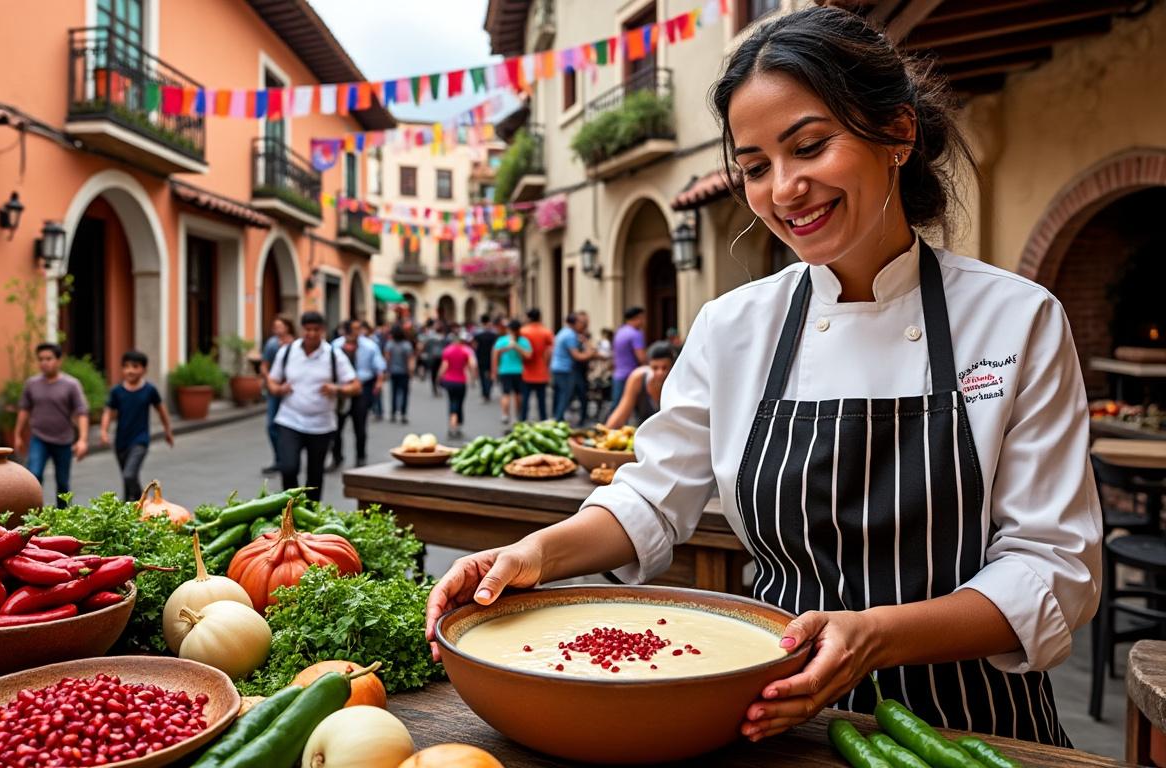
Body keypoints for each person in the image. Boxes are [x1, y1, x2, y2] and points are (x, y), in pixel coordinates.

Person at [426, 6, 1100, 749]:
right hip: (778, 717)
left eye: (809, 146)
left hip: (974, 730)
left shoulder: (1017, 319)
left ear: (898, 133)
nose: (784, 189)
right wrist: (534, 554)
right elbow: (650, 498)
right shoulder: (732, 327)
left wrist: (877, 636)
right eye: (754, 168)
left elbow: (1053, 569)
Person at [266, 311, 361, 502]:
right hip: (290, 420)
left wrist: (337, 388)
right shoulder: (287, 352)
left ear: (323, 330)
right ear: (301, 330)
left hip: (321, 425)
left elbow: (356, 386)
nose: (311, 334)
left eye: (316, 329)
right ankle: (291, 508)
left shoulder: (334, 355)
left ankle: (311, 512)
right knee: (288, 467)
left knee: (315, 475)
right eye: (307, 329)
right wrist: (278, 389)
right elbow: (272, 380)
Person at [14, 342, 88, 508]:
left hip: (63, 440)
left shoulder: (71, 385)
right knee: (34, 475)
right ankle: (32, 513)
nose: (44, 363)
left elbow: (81, 412)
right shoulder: (32, 384)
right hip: (39, 438)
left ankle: (63, 516)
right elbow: (24, 409)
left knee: (62, 483)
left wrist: (83, 440)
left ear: (59, 360)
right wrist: (17, 435)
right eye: (41, 359)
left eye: (49, 359)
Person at [99, 349, 174, 500]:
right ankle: (130, 506)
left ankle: (143, 501)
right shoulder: (117, 391)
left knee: (129, 475)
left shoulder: (149, 390)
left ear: (144, 369)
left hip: (140, 440)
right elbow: (108, 412)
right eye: (126, 366)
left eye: (135, 366)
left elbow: (161, 410)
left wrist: (168, 430)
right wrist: (104, 431)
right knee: (127, 479)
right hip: (121, 442)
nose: (130, 370)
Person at [330, 320, 387, 469]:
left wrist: (379, 382)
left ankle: (360, 457)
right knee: (336, 426)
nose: (355, 332)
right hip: (341, 389)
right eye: (352, 329)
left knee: (360, 425)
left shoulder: (369, 346)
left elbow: (379, 366)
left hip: (362, 388)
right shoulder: (336, 345)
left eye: (357, 329)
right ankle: (336, 457)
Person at [603, 343, 673, 430]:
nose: (660, 373)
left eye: (665, 368)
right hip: (641, 432)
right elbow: (621, 414)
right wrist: (605, 433)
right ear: (648, 366)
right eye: (655, 368)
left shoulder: (677, 383)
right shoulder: (638, 378)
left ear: (672, 367)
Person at [258, 316, 295, 476]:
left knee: (289, 426)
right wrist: (269, 380)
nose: (277, 329)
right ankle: (280, 459)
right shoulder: (272, 344)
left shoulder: (296, 344)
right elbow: (264, 366)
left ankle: (288, 458)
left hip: (292, 391)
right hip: (275, 390)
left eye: (280, 326)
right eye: (275, 326)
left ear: (288, 327)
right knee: (272, 425)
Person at [550, 311, 594, 423]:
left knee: (561, 395)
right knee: (565, 395)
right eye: (581, 322)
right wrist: (590, 353)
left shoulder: (564, 332)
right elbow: (577, 356)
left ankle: (557, 418)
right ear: (575, 322)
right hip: (565, 369)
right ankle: (558, 419)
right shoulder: (570, 335)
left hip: (559, 367)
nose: (583, 325)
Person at [438, 331, 478, 439]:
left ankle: (452, 425)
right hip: (461, 381)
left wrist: (439, 377)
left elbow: (444, 366)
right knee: (459, 403)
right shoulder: (465, 351)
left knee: (452, 402)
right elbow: (473, 364)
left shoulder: (447, 350)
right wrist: (473, 378)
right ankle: (458, 425)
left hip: (449, 380)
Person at [518, 308, 554, 422]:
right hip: (541, 372)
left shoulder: (523, 331)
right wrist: (547, 365)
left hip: (526, 371)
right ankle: (543, 422)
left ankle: (522, 422)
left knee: (525, 401)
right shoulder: (546, 331)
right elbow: (550, 351)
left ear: (528, 318)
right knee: (542, 402)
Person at [493, 319, 532, 424]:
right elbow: (528, 355)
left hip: (506, 370)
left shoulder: (502, 340)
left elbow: (495, 355)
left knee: (506, 394)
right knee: (518, 394)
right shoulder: (524, 341)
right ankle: (517, 415)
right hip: (517, 371)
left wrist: (494, 370)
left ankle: (505, 415)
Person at [611, 307, 647, 407]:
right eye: (642, 318)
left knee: (617, 406)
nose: (643, 321)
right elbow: (641, 357)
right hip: (631, 376)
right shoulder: (636, 334)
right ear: (637, 318)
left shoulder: (620, 332)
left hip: (618, 375)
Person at [384, 324, 416, 424]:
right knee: (404, 393)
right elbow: (410, 360)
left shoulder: (390, 344)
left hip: (393, 372)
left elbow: (387, 359)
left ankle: (393, 413)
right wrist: (411, 372)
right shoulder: (406, 345)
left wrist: (387, 371)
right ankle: (403, 413)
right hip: (404, 373)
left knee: (393, 393)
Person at [473, 314, 501, 404]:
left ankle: (485, 393)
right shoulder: (494, 335)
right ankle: (488, 391)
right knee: (490, 375)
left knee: (482, 377)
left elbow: (475, 347)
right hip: (491, 358)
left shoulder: (478, 335)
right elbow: (497, 347)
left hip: (480, 358)